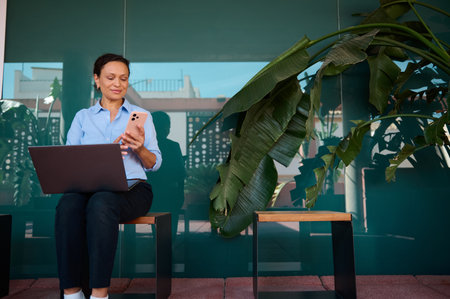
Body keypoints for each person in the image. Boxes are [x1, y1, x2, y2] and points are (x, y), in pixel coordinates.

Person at [55, 53, 162, 299]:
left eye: (123, 78)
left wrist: (140, 149)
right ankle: (72, 292)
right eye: (110, 77)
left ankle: (99, 293)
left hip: (132, 191)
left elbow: (155, 163)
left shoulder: (141, 116)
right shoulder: (83, 117)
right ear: (97, 80)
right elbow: (69, 162)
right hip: (88, 191)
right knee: (68, 204)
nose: (117, 83)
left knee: (102, 202)